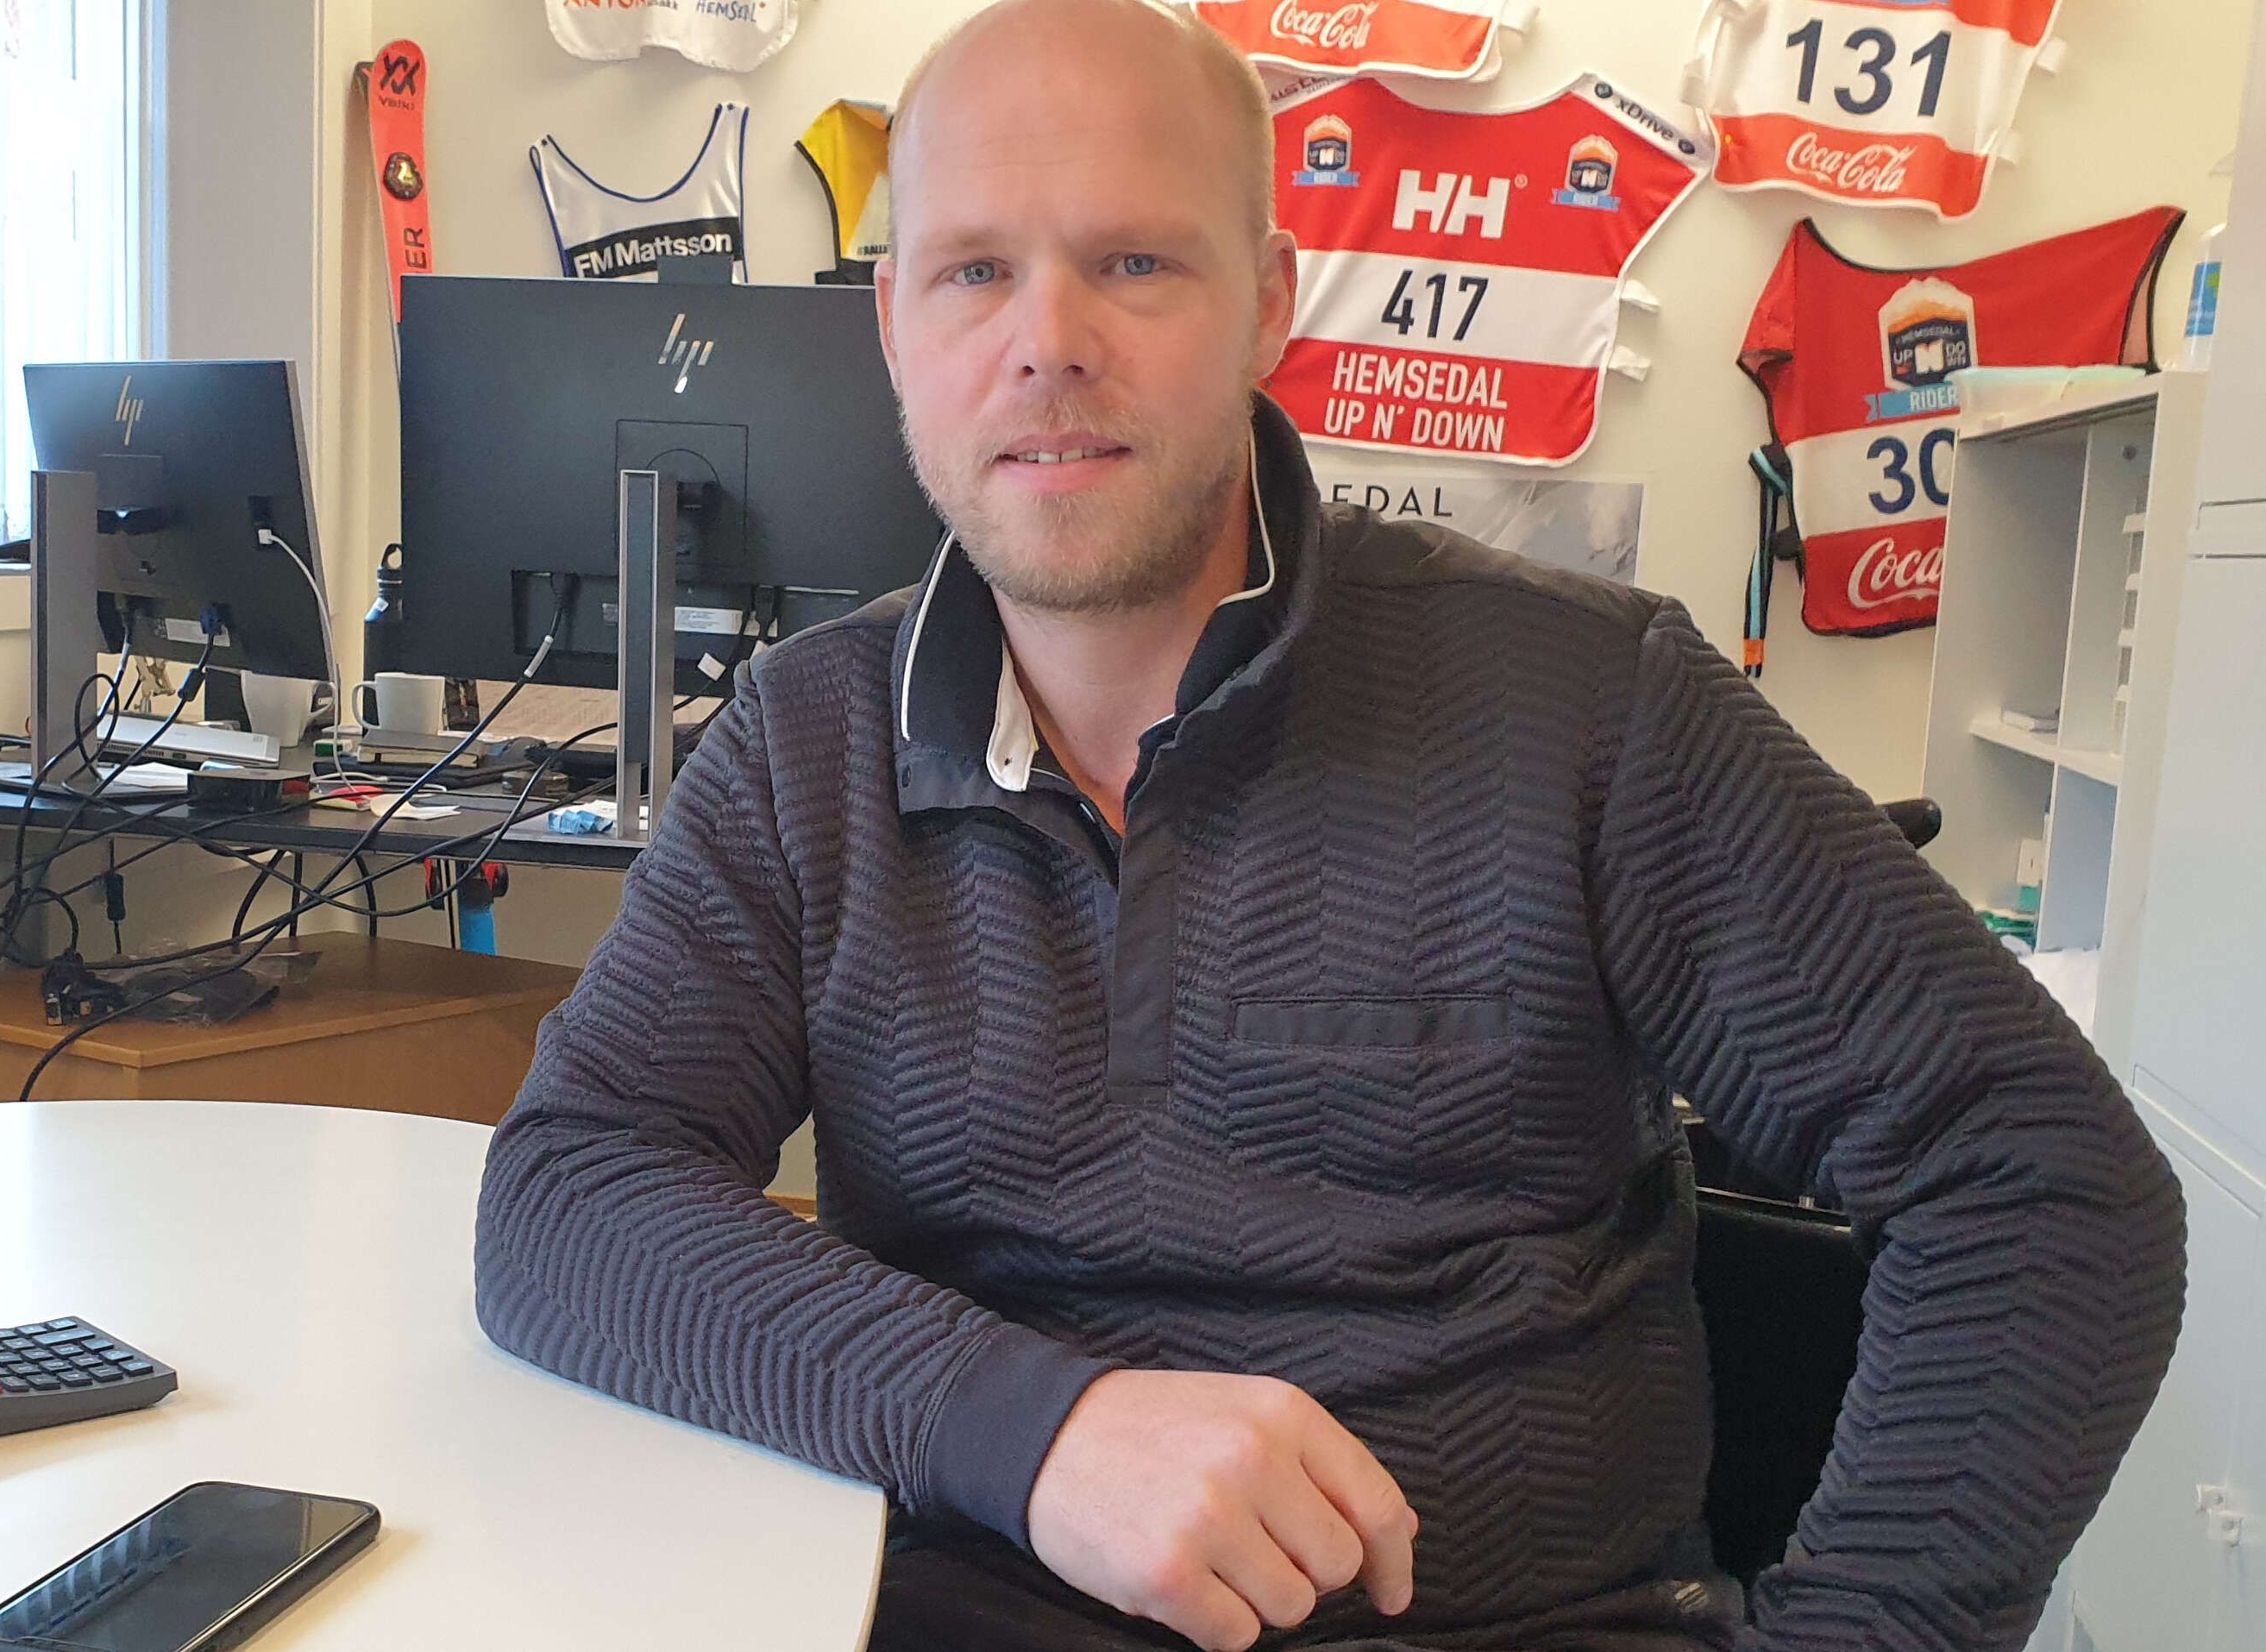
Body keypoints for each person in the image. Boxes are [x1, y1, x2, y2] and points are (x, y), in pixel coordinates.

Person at [471, 3, 2187, 1648]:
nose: (1046, 338)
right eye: (972, 269)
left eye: (1133, 262)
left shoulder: (1588, 703)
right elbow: (565, 1189)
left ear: (1268, 307)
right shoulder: (806, 742)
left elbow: (2036, 1175)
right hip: (956, 1609)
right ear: (894, 329)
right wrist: (1031, 1429)